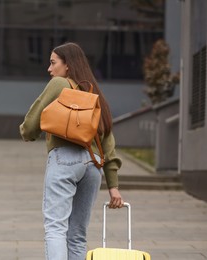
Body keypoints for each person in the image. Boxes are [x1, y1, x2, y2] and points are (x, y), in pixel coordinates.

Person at [19, 42, 124, 260]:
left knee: (56, 228)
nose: (49, 69)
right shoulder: (96, 94)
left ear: (67, 65)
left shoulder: (59, 84)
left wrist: (27, 133)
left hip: (65, 158)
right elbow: (108, 141)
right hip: (93, 166)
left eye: (53, 63)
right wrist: (113, 186)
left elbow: (32, 121)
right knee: (77, 234)